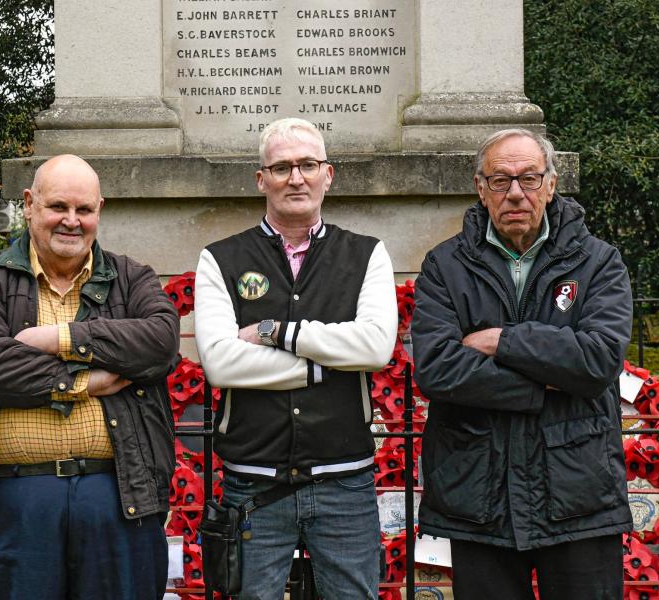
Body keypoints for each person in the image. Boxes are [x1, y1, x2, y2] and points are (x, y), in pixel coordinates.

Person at [0, 154, 180, 600]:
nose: (71, 221)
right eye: (58, 207)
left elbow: (161, 342)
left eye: (84, 210)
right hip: (17, 499)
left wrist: (58, 337)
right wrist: (82, 383)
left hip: (118, 495)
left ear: (99, 211)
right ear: (30, 204)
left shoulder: (131, 279)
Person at [411, 129, 633, 599]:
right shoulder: (444, 265)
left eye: (529, 178)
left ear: (551, 185)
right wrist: (543, 386)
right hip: (478, 498)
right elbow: (436, 367)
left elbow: (598, 359)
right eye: (500, 179)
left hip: (578, 496)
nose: (515, 192)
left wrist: (501, 340)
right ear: (480, 186)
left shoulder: (599, 263)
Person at [194, 117, 397, 599]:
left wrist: (274, 332)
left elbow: (375, 347)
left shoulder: (367, 254)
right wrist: (327, 364)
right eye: (281, 167)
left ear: (329, 174)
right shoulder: (220, 258)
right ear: (261, 179)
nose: (296, 177)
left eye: (308, 165)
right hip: (253, 487)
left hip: (344, 483)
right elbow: (222, 363)